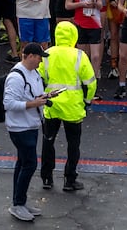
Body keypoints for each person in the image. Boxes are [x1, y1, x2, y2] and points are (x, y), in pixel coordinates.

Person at [40, 19, 96, 191]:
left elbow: (40, 78)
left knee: (48, 142)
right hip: (73, 107)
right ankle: (69, 179)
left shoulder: (48, 53)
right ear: (74, 36)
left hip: (52, 105)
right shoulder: (79, 55)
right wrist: (87, 102)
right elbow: (91, 83)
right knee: (73, 145)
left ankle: (47, 178)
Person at [3, 41, 50, 222]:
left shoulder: (33, 72)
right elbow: (9, 104)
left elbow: (32, 95)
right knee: (29, 164)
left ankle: (19, 201)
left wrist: (43, 98)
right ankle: (18, 204)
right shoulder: (16, 77)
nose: (40, 62)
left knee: (22, 163)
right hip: (20, 128)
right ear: (30, 56)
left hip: (30, 125)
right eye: (39, 58)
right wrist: (34, 104)